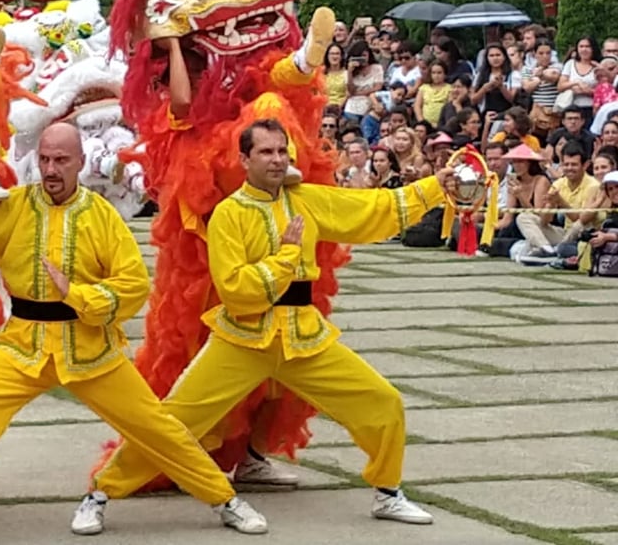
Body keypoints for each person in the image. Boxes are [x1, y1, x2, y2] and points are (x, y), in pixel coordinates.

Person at [0, 124, 268, 544]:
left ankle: (224, 499)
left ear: (81, 162)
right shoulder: (10, 207)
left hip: (90, 349)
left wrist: (78, 295)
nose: (51, 169)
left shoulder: (101, 216)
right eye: (45, 159)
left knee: (156, 427)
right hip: (23, 345)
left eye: (62, 160)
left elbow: (132, 285)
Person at [91, 119, 454, 526]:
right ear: (245, 160)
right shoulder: (229, 214)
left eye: (282, 151)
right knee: (175, 419)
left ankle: (387, 492)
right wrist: (285, 260)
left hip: (303, 339)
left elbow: (375, 210)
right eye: (266, 152)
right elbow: (235, 289)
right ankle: (101, 492)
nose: (277, 159)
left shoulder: (308, 200)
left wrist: (435, 187)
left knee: (382, 401)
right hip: (242, 340)